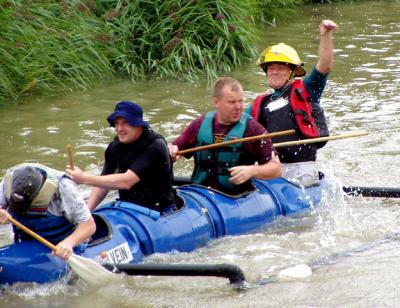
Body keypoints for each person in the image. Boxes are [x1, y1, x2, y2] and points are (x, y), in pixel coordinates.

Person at [246, 20, 338, 187]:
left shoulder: (306, 90)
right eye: (270, 68)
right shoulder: (260, 104)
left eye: (280, 68)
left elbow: (324, 66)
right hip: (269, 170)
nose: (274, 72)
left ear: (292, 71)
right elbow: (231, 121)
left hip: (300, 170)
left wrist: (325, 35)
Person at [168, 77, 282, 195]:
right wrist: (170, 152)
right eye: (232, 102)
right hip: (200, 195)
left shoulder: (253, 130)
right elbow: (173, 150)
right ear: (216, 102)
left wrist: (252, 171)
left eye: (241, 101)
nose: (238, 107)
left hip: (235, 198)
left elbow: (276, 169)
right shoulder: (199, 125)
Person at [66, 101, 177, 214]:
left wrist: (84, 178)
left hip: (159, 210)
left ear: (138, 125)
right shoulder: (114, 147)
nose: (119, 129)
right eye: (116, 123)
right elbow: (102, 185)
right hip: (127, 206)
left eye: (125, 123)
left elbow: (126, 182)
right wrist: (86, 212)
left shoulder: (155, 146)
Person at [0, 163, 96, 260]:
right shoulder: (9, 182)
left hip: (61, 246)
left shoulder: (63, 187)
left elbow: (89, 225)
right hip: (27, 244)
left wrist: (69, 242)